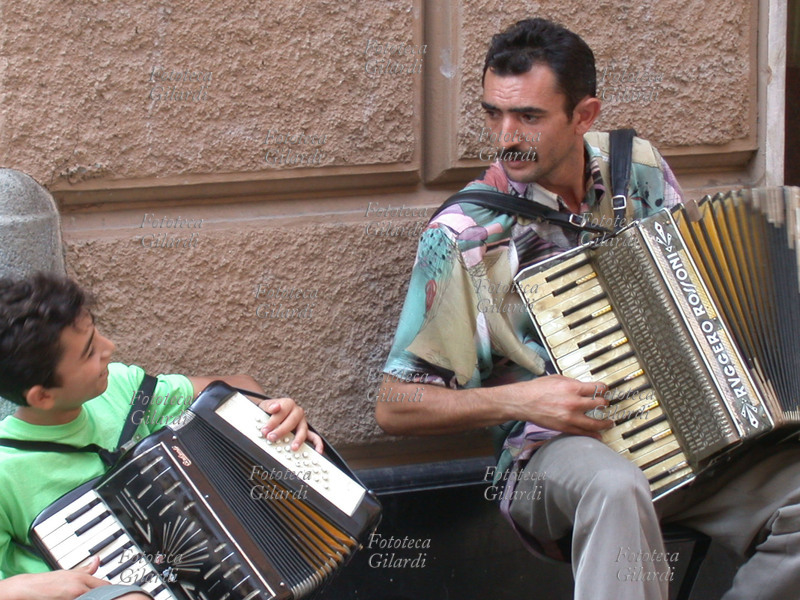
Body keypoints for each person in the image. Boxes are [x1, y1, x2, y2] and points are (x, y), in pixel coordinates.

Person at [375, 17, 800, 600]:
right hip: (548, 459)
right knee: (615, 485)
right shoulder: (467, 234)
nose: (505, 135)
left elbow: (697, 286)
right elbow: (395, 407)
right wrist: (521, 398)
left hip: (689, 438)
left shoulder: (639, 166)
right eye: (493, 113)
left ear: (584, 116)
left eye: (528, 116)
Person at [0, 272, 323, 600]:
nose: (109, 349)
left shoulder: (124, 390)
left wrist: (272, 412)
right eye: (88, 353)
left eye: (97, 335)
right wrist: (13, 588)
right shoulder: (6, 470)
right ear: (42, 396)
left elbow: (236, 387)